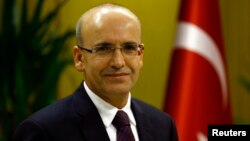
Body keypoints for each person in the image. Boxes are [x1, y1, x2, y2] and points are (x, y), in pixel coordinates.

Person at [13, 3, 178, 141]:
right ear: (79, 58)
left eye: (129, 48)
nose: (118, 62)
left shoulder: (163, 126)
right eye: (104, 49)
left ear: (140, 55)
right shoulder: (43, 131)